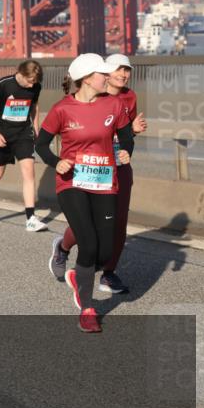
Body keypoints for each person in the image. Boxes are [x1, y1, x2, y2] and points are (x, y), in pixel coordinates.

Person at [36, 53, 134, 333]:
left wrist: (127, 151)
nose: (109, 77)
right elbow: (42, 144)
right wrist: (57, 161)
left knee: (104, 253)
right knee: (88, 244)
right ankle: (88, 308)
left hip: (105, 181)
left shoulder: (113, 104)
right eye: (103, 74)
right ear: (88, 78)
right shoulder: (62, 109)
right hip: (72, 182)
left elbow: (125, 136)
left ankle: (79, 274)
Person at [50, 53, 147, 294]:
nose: (123, 74)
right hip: (89, 168)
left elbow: (124, 134)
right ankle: (63, 247)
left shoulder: (129, 97)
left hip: (117, 167)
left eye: (127, 70)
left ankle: (108, 273)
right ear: (103, 74)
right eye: (117, 70)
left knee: (119, 221)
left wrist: (131, 136)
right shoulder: (89, 98)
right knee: (89, 224)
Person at [0, 60, 47, 232]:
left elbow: (34, 107)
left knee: (29, 171)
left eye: (35, 82)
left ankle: (31, 218)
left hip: (23, 134)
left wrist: (35, 127)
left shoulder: (35, 87)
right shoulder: (3, 85)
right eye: (29, 81)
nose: (32, 85)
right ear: (21, 73)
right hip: (2, 134)